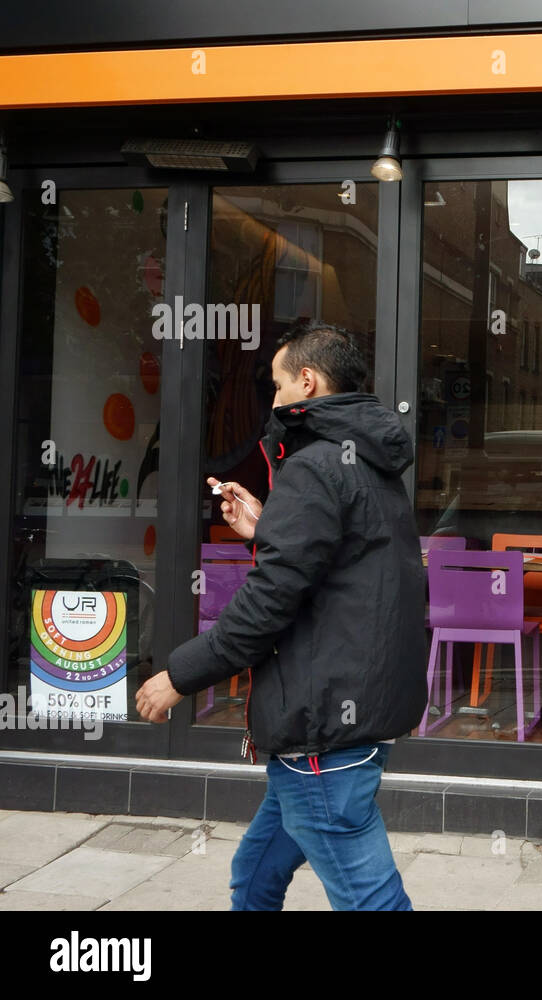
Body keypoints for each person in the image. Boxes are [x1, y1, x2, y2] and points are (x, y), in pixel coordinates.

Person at [135, 321, 428, 911]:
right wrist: (270, 525)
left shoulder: (316, 465)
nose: (271, 401)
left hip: (322, 729)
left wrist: (178, 676)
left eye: (275, 386)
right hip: (346, 713)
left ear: (307, 380)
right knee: (256, 872)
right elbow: (336, 563)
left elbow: (268, 601)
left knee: (371, 901)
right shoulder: (364, 460)